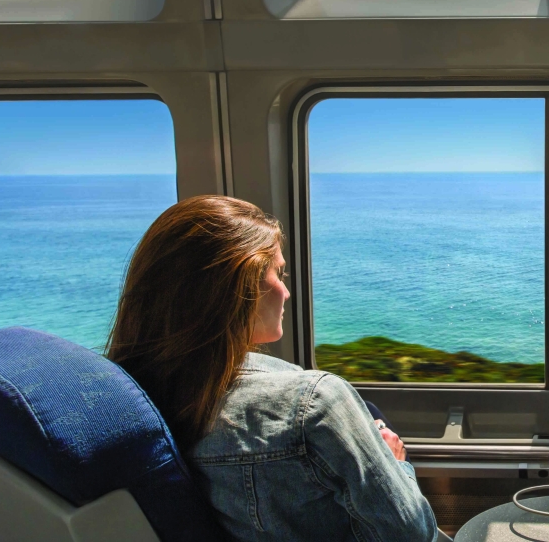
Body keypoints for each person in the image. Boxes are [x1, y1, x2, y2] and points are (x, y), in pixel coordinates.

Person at [106, 195, 439, 542]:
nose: (287, 291)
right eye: (278, 273)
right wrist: (395, 462)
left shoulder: (133, 393)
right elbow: (413, 534)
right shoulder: (316, 404)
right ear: (239, 287)